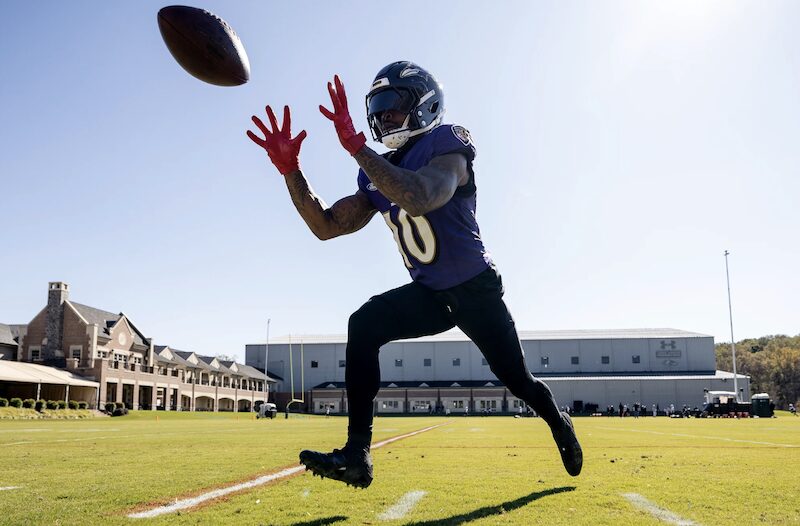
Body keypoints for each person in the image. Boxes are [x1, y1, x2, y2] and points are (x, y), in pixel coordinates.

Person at [247, 61, 582, 488]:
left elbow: (421, 196)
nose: (385, 117)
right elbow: (326, 227)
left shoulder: (448, 144)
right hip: (430, 294)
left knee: (517, 380)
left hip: (475, 288)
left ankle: (557, 420)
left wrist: (356, 149)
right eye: (379, 109)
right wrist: (290, 170)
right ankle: (357, 454)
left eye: (394, 106)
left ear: (425, 104)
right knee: (363, 324)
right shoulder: (375, 171)